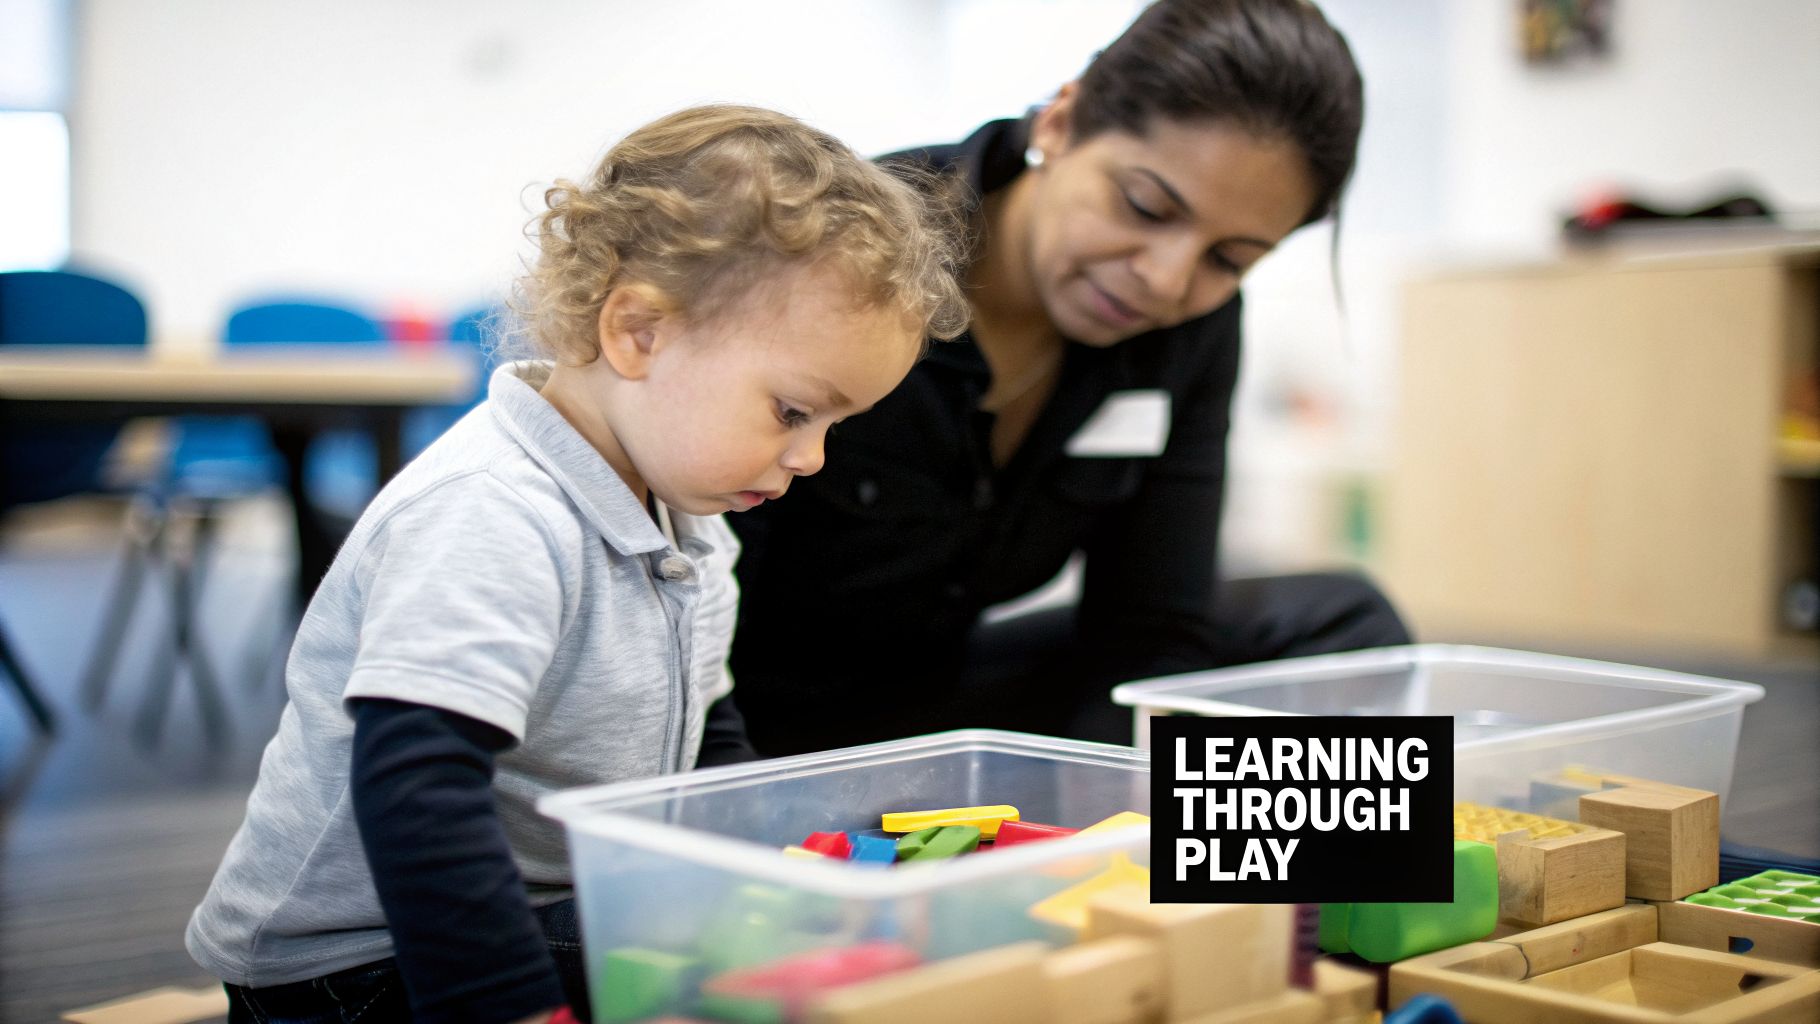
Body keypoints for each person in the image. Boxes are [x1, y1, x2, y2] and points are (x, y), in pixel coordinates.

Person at [185, 105, 968, 1023]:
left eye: (836, 426)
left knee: (823, 934)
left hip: (544, 908)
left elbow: (707, 726)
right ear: (638, 330)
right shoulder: (491, 512)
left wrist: (769, 866)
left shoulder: (692, 509)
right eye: (795, 413)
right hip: (364, 968)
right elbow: (419, 793)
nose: (813, 459)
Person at [728, 0, 1410, 756]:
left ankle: (1189, 869)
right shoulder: (836, 261)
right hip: (751, 730)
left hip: (945, 715)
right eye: (1145, 206)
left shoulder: (1192, 328)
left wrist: (1112, 812)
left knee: (1347, 623)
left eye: (1230, 260)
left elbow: (1152, 630)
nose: (1165, 280)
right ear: (1060, 121)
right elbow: (683, 627)